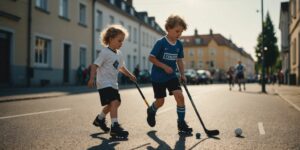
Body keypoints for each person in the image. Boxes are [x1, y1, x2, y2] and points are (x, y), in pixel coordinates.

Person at [87, 24, 136, 138]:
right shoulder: (105, 52)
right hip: (104, 83)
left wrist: (130, 75)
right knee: (114, 102)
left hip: (113, 83)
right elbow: (95, 65)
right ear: (110, 39)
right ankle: (115, 127)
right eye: (119, 40)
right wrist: (91, 78)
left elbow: (121, 67)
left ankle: (99, 119)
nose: (121, 43)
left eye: (122, 41)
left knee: (116, 103)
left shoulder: (119, 54)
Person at [147, 15, 192, 134]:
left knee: (180, 96)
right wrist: (164, 66)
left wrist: (182, 74)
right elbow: (151, 58)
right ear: (168, 28)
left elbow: (179, 60)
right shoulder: (161, 43)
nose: (179, 34)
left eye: (181, 32)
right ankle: (151, 110)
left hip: (172, 76)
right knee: (160, 101)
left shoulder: (179, 44)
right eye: (177, 31)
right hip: (158, 77)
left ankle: (181, 123)